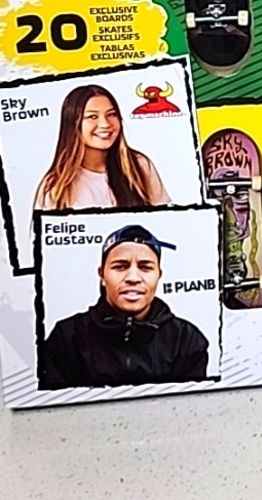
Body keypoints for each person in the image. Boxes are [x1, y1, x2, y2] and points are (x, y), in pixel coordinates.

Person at [39, 224, 210, 388]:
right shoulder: (67, 339)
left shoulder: (186, 341)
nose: (133, 278)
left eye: (145, 267)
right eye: (120, 267)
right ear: (102, 275)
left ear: (159, 274)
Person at [33, 85, 170, 210]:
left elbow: (167, 219)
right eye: (92, 116)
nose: (105, 124)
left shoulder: (139, 165)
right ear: (73, 124)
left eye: (112, 114)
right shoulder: (55, 187)